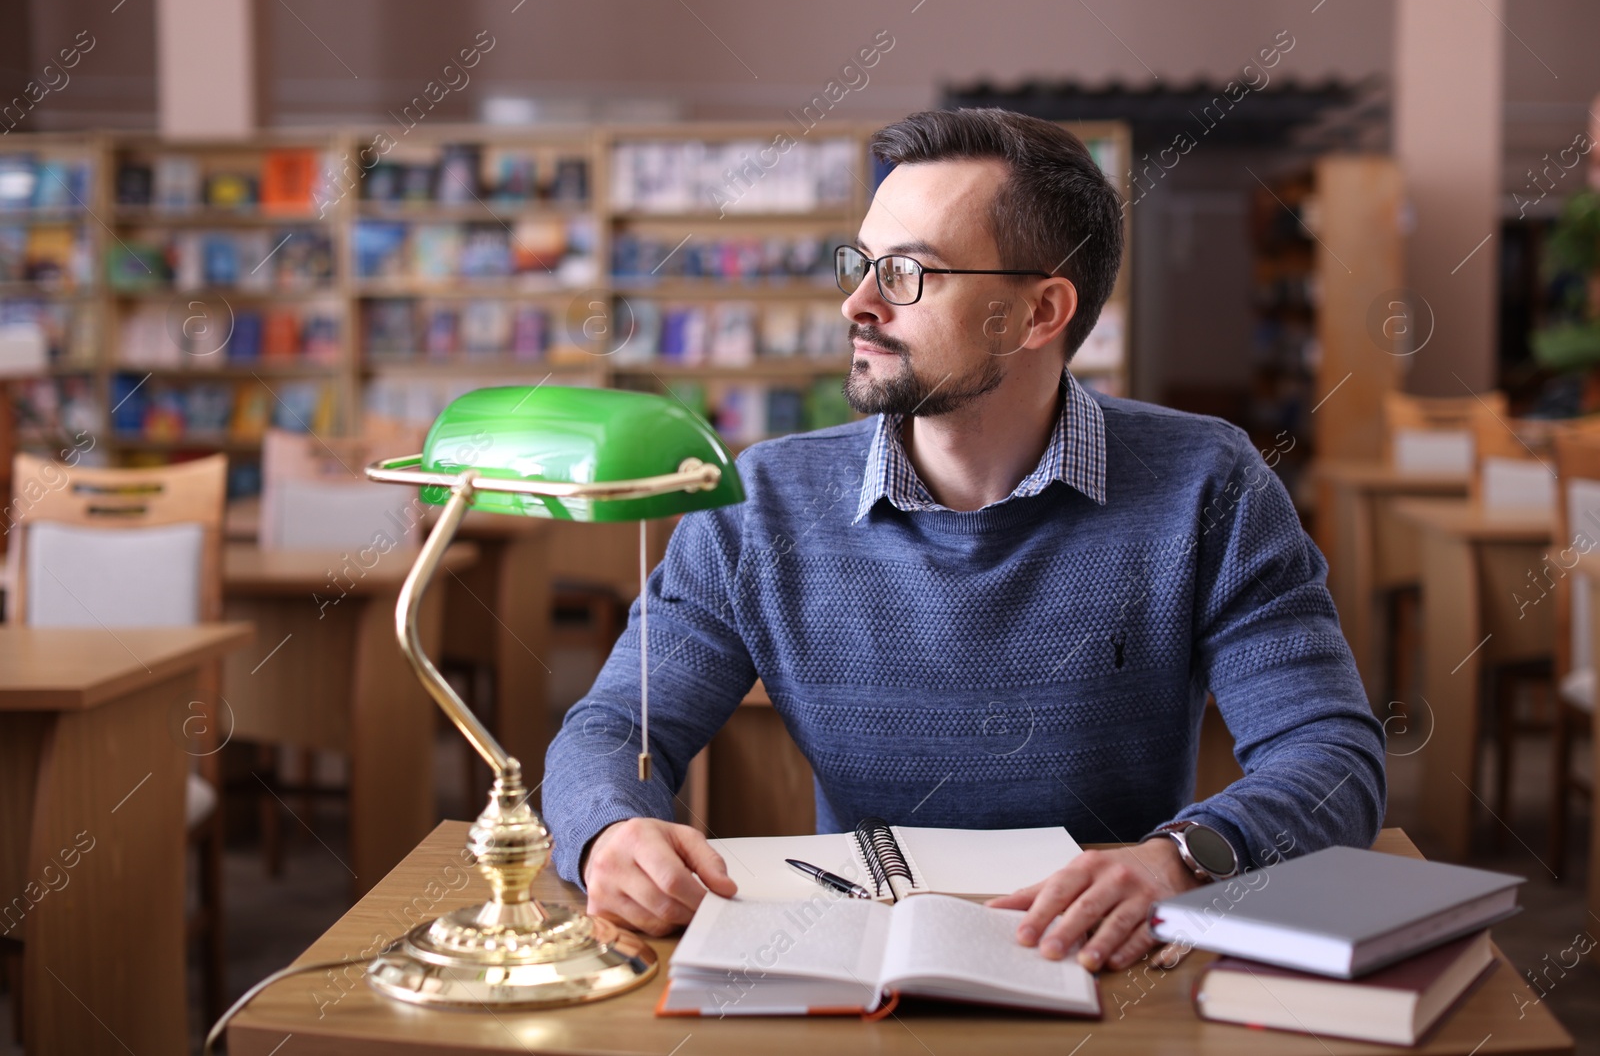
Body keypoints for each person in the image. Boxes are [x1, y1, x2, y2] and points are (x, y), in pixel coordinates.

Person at [543, 107, 1385, 975]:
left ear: (1038, 311)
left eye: (907, 273)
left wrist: (1180, 857)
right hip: (854, 965)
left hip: (1113, 970)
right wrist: (607, 829)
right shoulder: (756, 501)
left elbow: (1332, 757)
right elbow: (610, 726)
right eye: (862, 264)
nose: (857, 302)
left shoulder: (1210, 482)